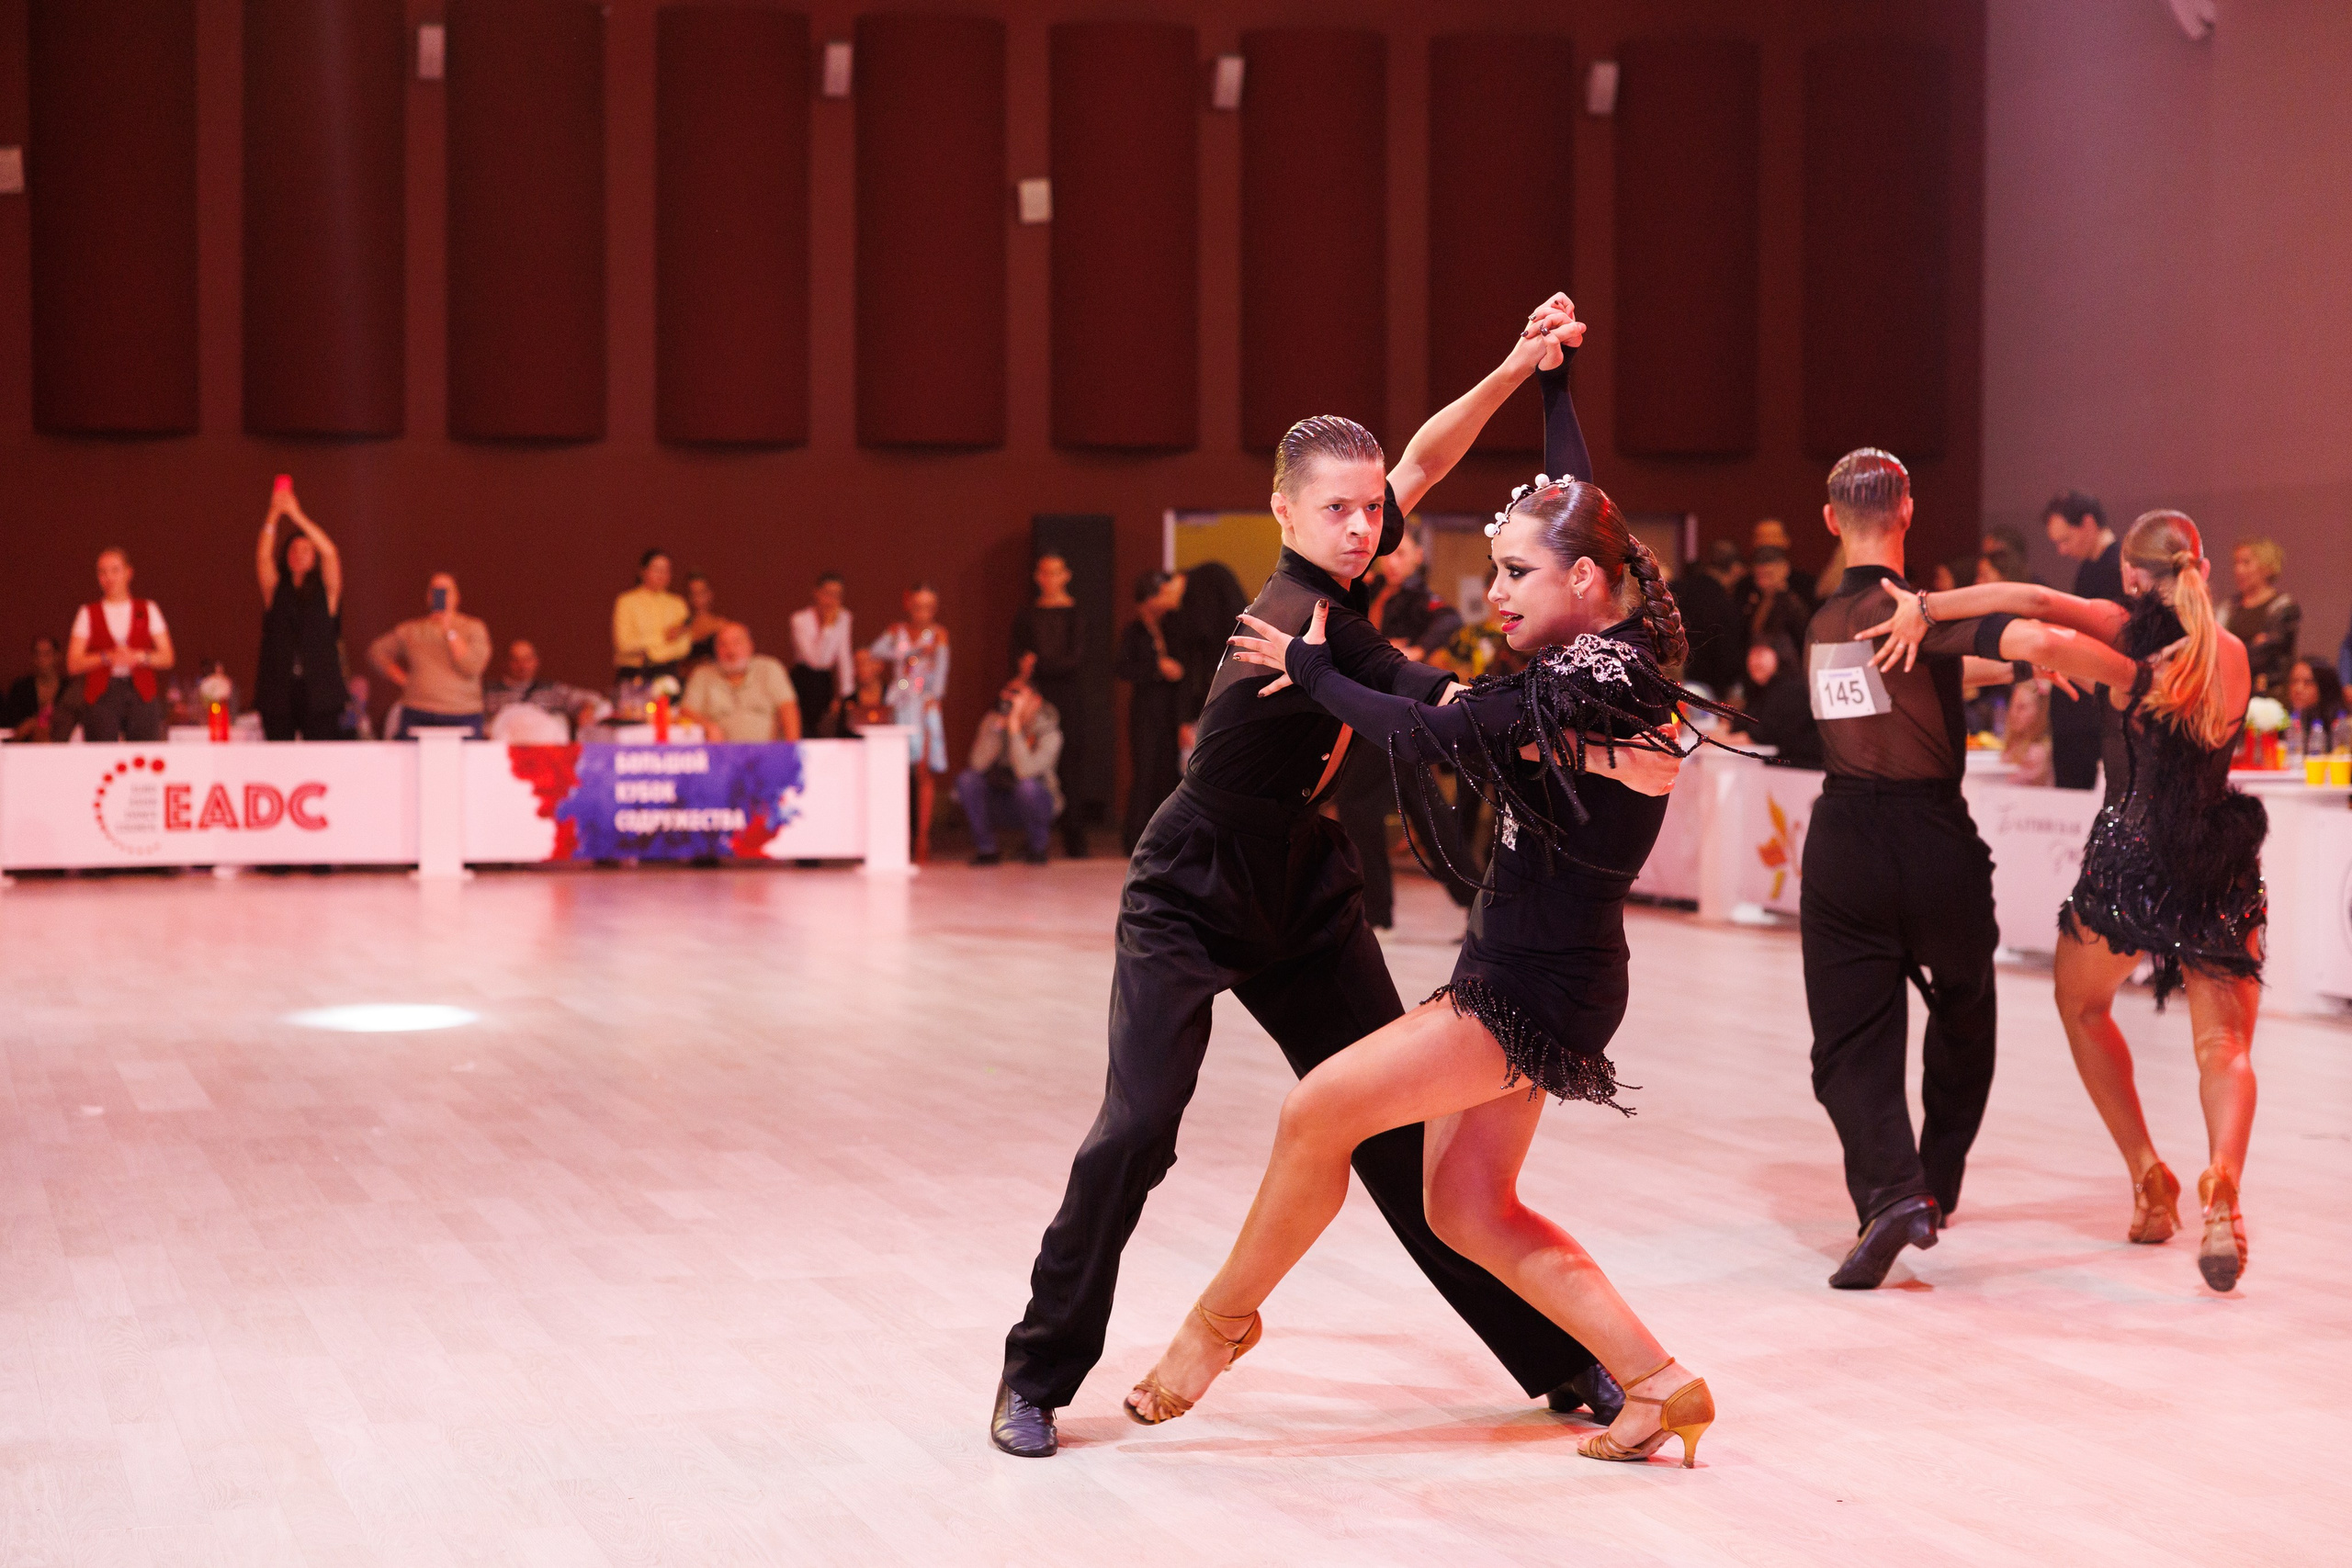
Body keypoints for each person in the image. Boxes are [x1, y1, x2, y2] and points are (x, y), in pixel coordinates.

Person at [993, 293, 1638, 1461]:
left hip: (1305, 886)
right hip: (1192, 884)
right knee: (1135, 1127)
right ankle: (1035, 1373)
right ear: (1282, 513)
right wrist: (1529, 703)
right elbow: (1416, 699)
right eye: (1335, 510)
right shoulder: (1299, 618)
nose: (1360, 527)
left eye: (1370, 508)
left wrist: (1510, 366)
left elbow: (1427, 457)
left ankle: (1553, 1359)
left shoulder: (1348, 565)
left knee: (1398, 1136)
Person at [1122, 432, 1717, 1470]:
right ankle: (1660, 1384)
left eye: (1515, 573)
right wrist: (1545, 378)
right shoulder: (1590, 663)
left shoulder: (1599, 675)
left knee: (1318, 1111)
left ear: (1584, 577)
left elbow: (1436, 734)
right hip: (1528, 970)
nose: (1492, 593)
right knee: (1465, 1208)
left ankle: (1216, 1327)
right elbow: (1574, 513)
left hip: (1535, 982)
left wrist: (1309, 666)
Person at [1869, 511, 2264, 1292]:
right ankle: (2223, 1184)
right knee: (2226, 1048)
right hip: (2218, 858)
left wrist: (1929, 607)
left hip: (2131, 858)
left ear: (2127, 574)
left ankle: (2150, 1176)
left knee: (2082, 1006)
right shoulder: (2235, 652)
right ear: (2204, 568)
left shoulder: (2125, 632)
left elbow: (2036, 606)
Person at [1796, 450, 2034, 1290]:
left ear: (1831, 520)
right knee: (1965, 1007)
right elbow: (1999, 645)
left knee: (1850, 1040)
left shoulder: (1824, 621)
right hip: (1938, 841)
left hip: (1846, 846)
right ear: (1908, 511)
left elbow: (1887, 686)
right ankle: (1936, 1178)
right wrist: (2065, 663)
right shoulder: (1928, 613)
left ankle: (1895, 1191)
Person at [253, 479, 346, 741]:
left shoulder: (326, 591)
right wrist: (274, 513)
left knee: (322, 755)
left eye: (306, 550)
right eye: (294, 549)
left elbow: (330, 552)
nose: (300, 554)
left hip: (320, 690)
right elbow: (262, 557)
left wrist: (295, 515)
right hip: (278, 689)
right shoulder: (276, 589)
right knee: (278, 756)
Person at [1011, 553, 1091, 859]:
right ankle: (1036, 836)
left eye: (1055, 572)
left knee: (1071, 764)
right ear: (1037, 576)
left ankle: (1075, 837)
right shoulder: (1026, 615)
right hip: (1037, 696)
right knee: (1034, 764)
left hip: (1069, 696)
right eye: (1043, 573)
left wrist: (1038, 663)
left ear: (1066, 575)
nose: (1049, 578)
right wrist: (1027, 672)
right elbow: (1018, 659)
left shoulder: (1077, 613)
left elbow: (1075, 659)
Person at [2045, 491, 2123, 788]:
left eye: (2065, 539)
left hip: (2092, 708)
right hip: (2080, 706)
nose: (2062, 551)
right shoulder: (2090, 567)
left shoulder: (2116, 567)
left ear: (2088, 524)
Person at [872, 586, 950, 863]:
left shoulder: (939, 634)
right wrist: (910, 651)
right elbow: (876, 651)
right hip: (899, 697)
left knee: (923, 770)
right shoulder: (897, 631)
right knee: (895, 769)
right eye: (919, 606)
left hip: (924, 700)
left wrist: (934, 697)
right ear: (909, 605)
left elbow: (940, 671)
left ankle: (922, 838)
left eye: (929, 607)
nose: (924, 613)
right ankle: (894, 835)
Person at [66, 547, 175, 742]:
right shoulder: (88, 613)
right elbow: (73, 664)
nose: (109, 577)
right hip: (102, 694)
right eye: (103, 572)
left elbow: (167, 658)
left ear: (128, 573)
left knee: (144, 754)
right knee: (101, 756)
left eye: (115, 570)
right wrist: (107, 657)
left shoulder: (148, 609)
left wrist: (138, 657)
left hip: (140, 692)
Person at [957, 670, 1064, 865]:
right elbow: (977, 764)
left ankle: (1037, 848)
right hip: (1001, 799)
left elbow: (1025, 772)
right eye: (1006, 692)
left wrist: (1015, 730)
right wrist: (996, 730)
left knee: (1028, 788)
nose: (1008, 698)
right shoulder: (994, 722)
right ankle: (986, 849)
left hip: (1038, 802)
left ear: (1035, 701)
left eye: (1016, 693)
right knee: (967, 780)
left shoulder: (1049, 731)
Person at [1115, 568, 1189, 852]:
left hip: (1170, 709)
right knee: (1144, 772)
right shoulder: (1133, 632)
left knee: (1170, 773)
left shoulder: (1173, 626)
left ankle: (1168, 836)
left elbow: (1186, 667)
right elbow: (1122, 668)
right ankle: (1133, 839)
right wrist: (1156, 669)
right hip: (1145, 710)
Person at [368, 573, 492, 738]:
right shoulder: (412, 630)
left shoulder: (473, 628)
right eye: (436, 592)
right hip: (418, 710)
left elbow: (472, 666)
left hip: (463, 713)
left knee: (466, 763)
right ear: (428, 597)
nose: (440, 597)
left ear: (457, 597)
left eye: (446, 591)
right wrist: (403, 679)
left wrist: (449, 630)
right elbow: (377, 652)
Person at [681, 623, 801, 743]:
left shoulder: (769, 668)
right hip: (719, 754)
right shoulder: (703, 674)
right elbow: (685, 711)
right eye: (723, 645)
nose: (730, 650)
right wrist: (708, 727)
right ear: (715, 650)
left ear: (750, 645)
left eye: (736, 643)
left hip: (766, 753)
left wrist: (791, 750)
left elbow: (788, 708)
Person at [1724, 634, 1822, 769]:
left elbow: (1759, 735)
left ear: (1780, 655)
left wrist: (1711, 740)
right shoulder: (1761, 692)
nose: (1753, 661)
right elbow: (1740, 726)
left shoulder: (1791, 688)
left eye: (1759, 654)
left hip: (1802, 771)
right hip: (1776, 769)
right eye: (1750, 655)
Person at [2217, 538, 2300, 695]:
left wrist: (2234, 649)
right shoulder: (2228, 608)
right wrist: (2252, 642)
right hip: (2230, 692)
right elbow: (2216, 651)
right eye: (2236, 563)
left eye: (2246, 563)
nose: (2238, 570)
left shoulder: (2283, 607)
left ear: (2267, 567)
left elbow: (2266, 654)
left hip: (2269, 695)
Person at [484, 639, 606, 740]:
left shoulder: (551, 690)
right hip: (503, 755)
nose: (522, 665)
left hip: (545, 754)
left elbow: (593, 698)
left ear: (536, 661)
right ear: (506, 662)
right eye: (516, 660)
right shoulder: (489, 692)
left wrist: (588, 708)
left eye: (527, 659)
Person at [1672, 539, 1747, 696]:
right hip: (1708, 688)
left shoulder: (1677, 589)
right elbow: (1728, 656)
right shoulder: (1725, 605)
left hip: (1670, 678)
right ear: (1735, 569)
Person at [789, 572, 856, 738]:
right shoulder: (800, 619)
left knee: (829, 728)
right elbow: (815, 660)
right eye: (828, 593)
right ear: (817, 593)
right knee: (806, 729)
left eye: (837, 595)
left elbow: (844, 655)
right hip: (804, 679)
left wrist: (848, 694)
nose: (831, 600)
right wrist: (827, 627)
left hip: (825, 679)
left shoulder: (844, 617)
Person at [612, 549, 692, 682]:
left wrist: (653, 651)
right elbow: (624, 643)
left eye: (666, 570)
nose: (662, 575)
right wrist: (663, 639)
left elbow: (684, 646)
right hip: (635, 672)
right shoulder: (627, 601)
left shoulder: (678, 604)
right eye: (656, 569)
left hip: (668, 671)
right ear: (643, 571)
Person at [1744, 546, 1812, 652]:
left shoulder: (1793, 605)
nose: (1763, 583)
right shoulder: (1754, 601)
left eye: (1769, 575)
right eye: (1759, 577)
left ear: (1785, 569)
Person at [3, 634, 68, 741]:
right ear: (32, 658)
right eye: (37, 654)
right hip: (24, 749)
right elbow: (11, 727)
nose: (41, 659)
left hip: (59, 749)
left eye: (47, 654)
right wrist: (30, 725)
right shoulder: (21, 689)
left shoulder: (68, 689)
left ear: (57, 656)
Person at [2001, 679, 2053, 786]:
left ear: (2039, 712)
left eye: (2021, 707)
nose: (2013, 713)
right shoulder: (2015, 745)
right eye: (2012, 705)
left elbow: (2007, 787)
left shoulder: (2036, 753)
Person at [2284, 657, 2343, 752]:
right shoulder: (2283, 723)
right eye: (2294, 681)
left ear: (2323, 686)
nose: (2298, 689)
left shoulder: (2340, 724)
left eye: (2308, 682)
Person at [680, 573, 728, 670]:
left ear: (709, 594)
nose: (697, 598)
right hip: (689, 678)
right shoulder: (681, 627)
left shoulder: (720, 625)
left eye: (701, 592)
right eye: (692, 593)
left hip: (715, 677)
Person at [842, 649, 895, 733]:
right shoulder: (849, 701)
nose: (862, 667)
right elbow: (842, 735)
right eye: (857, 663)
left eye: (867, 662)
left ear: (880, 664)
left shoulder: (894, 695)